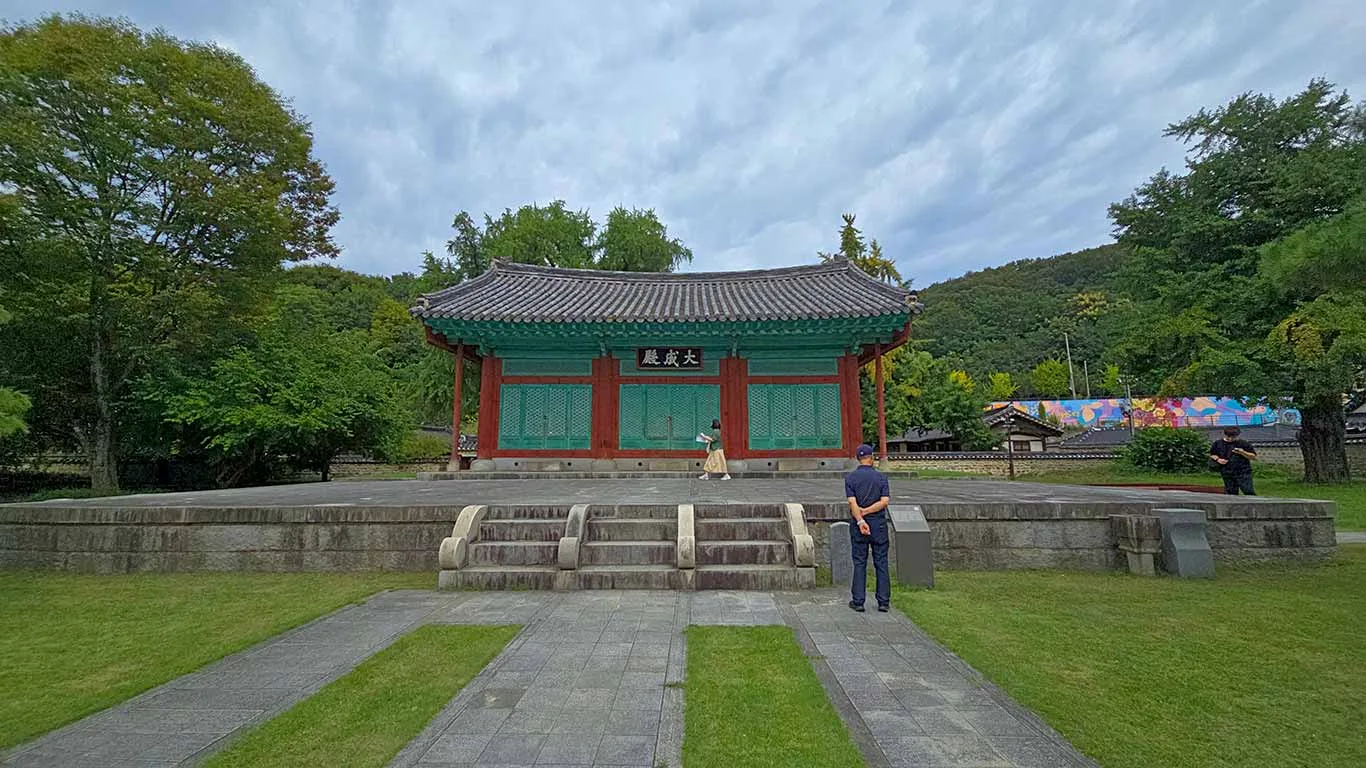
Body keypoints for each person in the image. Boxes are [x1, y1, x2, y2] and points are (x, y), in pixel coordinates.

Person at [845, 443, 890, 612]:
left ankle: (858, 601)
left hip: (859, 525)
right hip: (878, 524)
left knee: (859, 562)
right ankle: (883, 601)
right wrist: (869, 511)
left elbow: (852, 502)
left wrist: (860, 519)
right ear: (871, 458)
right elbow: (884, 502)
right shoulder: (881, 478)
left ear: (858, 459)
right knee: (881, 562)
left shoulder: (851, 478)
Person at [1209, 426, 1257, 495]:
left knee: (1248, 491)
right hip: (1227, 472)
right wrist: (1218, 459)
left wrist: (1242, 452)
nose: (1231, 439)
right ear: (1225, 434)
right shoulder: (1218, 443)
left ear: (1237, 435)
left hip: (1243, 472)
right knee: (1231, 493)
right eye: (1228, 437)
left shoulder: (1243, 443)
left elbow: (1253, 457)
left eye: (1233, 437)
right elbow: (1212, 454)